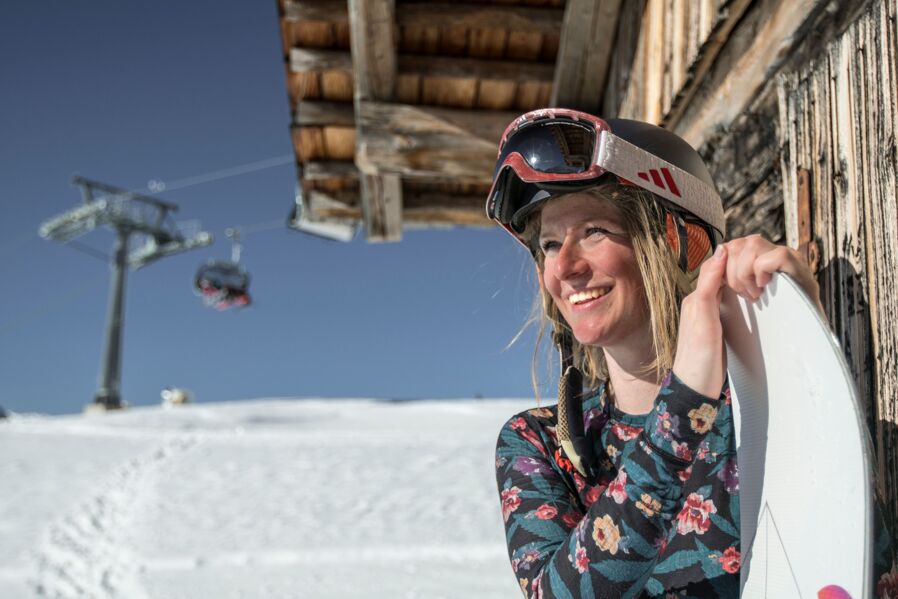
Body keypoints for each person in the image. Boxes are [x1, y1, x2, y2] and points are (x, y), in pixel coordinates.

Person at [488, 109, 896, 597]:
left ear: (682, 242)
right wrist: (683, 406)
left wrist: (798, 351)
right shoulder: (543, 445)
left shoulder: (750, 411)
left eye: (594, 231)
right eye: (550, 245)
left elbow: (853, 560)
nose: (565, 267)